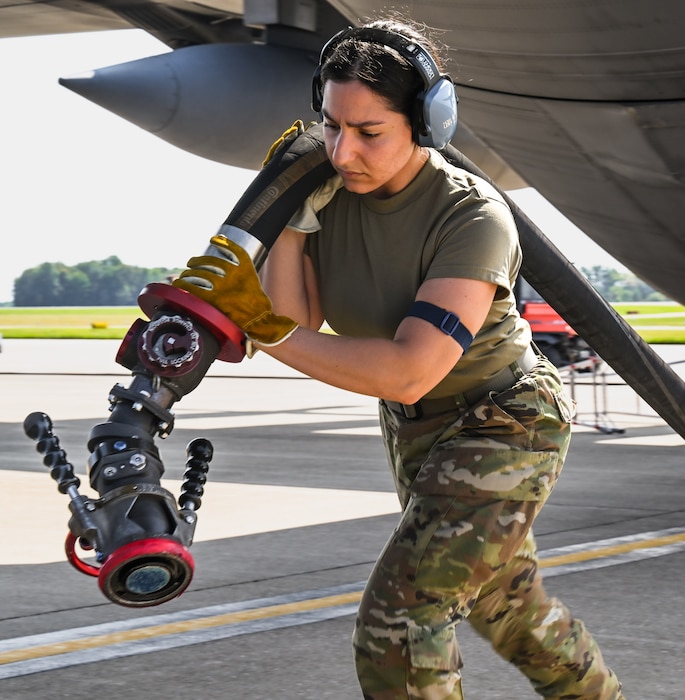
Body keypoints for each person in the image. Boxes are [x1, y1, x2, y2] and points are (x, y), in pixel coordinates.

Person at [174, 15, 625, 700]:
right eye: (331, 125)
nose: (344, 151)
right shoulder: (333, 191)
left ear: (426, 123)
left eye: (369, 133)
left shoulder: (471, 216)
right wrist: (290, 217)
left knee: (403, 625)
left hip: (504, 420)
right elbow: (302, 324)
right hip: (416, 430)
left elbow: (410, 366)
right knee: (511, 612)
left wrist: (259, 324)